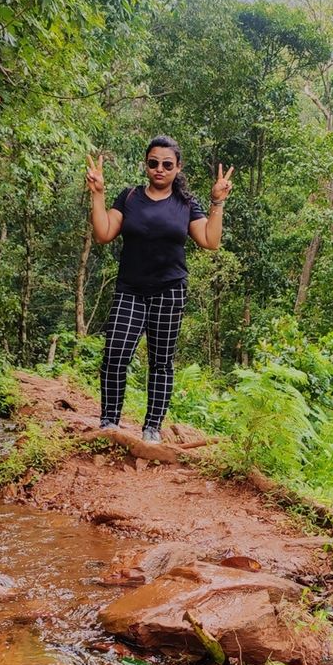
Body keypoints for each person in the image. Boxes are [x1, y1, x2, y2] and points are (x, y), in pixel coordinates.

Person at [85, 135, 233, 443]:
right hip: (130, 290)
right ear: (146, 165)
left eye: (167, 164)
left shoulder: (186, 204)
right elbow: (103, 233)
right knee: (115, 354)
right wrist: (97, 194)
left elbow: (210, 241)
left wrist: (217, 201)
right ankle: (109, 422)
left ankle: (152, 427)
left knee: (161, 361)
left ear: (178, 168)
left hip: (169, 291)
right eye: (153, 163)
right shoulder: (129, 197)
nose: (159, 169)